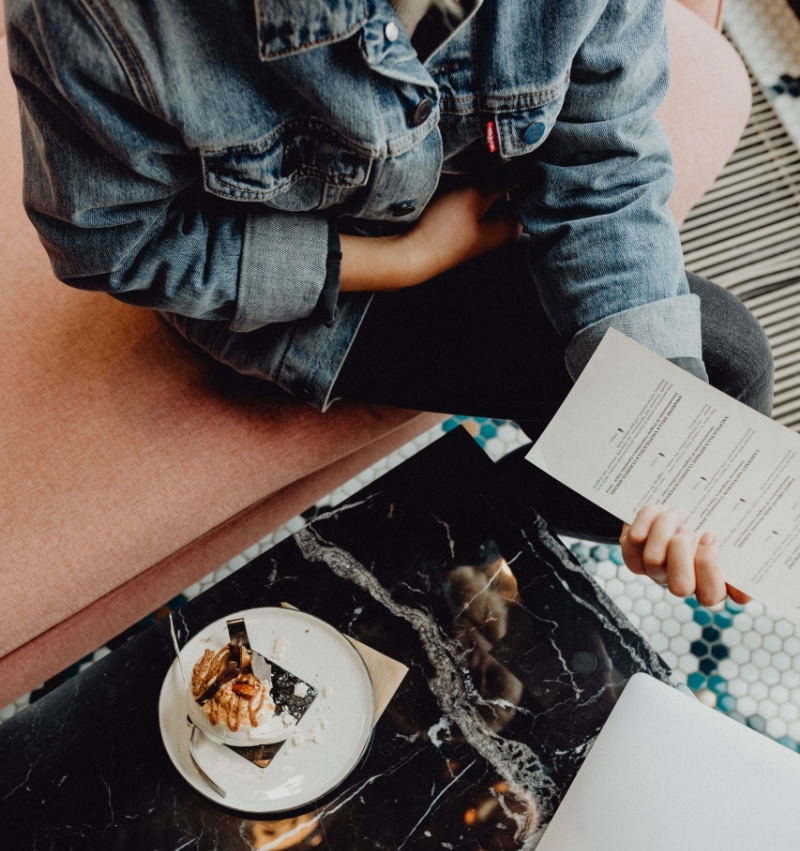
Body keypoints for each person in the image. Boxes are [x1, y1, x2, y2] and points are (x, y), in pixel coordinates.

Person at [6, 0, 771, 608]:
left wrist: (674, 452)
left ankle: (422, 555)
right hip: (306, 295)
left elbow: (603, 172)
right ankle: (384, 580)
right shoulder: (100, 17)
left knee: (718, 386)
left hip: (476, 200)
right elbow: (118, 243)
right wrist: (405, 262)